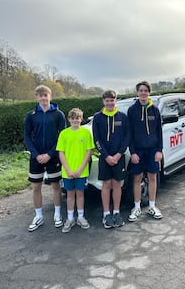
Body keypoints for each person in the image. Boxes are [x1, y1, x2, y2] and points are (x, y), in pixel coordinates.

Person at [24, 84, 66, 232]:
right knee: (36, 187)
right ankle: (38, 216)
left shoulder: (58, 114)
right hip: (36, 157)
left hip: (52, 156)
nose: (43, 98)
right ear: (37, 98)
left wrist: (49, 154)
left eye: (45, 95)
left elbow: (62, 137)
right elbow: (27, 136)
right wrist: (36, 154)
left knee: (55, 186)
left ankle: (57, 214)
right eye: (40, 95)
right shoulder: (31, 115)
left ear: (50, 96)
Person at [127, 81, 163, 222]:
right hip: (138, 151)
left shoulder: (154, 110)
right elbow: (129, 133)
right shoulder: (132, 110)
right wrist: (133, 152)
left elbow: (159, 131)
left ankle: (152, 206)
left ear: (149, 92)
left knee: (152, 177)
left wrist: (159, 150)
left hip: (153, 149)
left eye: (146, 90)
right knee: (137, 178)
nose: (143, 93)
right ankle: (136, 207)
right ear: (137, 92)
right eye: (141, 90)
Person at [93, 90, 129, 229]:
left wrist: (119, 154)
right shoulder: (98, 117)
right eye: (107, 100)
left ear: (116, 100)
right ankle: (106, 214)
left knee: (117, 184)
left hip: (119, 157)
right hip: (105, 157)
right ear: (103, 101)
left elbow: (127, 138)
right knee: (106, 185)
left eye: (112, 100)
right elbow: (96, 139)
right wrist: (106, 155)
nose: (109, 103)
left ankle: (117, 212)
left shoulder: (122, 117)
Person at [56, 108, 93, 233]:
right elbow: (61, 152)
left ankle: (81, 217)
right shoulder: (64, 133)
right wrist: (67, 169)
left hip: (81, 171)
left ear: (81, 119)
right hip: (68, 172)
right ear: (69, 119)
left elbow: (89, 151)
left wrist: (81, 168)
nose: (75, 120)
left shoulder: (86, 133)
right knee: (70, 194)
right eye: (72, 118)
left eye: (77, 118)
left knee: (80, 193)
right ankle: (70, 218)